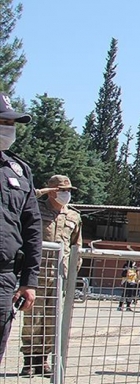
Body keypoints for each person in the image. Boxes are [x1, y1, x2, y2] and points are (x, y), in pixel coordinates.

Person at [20, 174, 82, 376]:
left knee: (52, 321)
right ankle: (29, 360)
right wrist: (43, 192)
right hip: (36, 273)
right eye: (62, 190)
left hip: (59, 275)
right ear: (52, 191)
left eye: (69, 191)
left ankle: (43, 361)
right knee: (33, 319)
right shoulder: (36, 209)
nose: (66, 194)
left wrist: (73, 273)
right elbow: (23, 199)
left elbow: (76, 246)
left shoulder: (73, 216)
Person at [0, 94, 41, 365]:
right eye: (2, 122)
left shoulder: (19, 170)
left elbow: (32, 227)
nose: (8, 128)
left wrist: (29, 281)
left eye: (10, 123)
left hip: (3, 277)